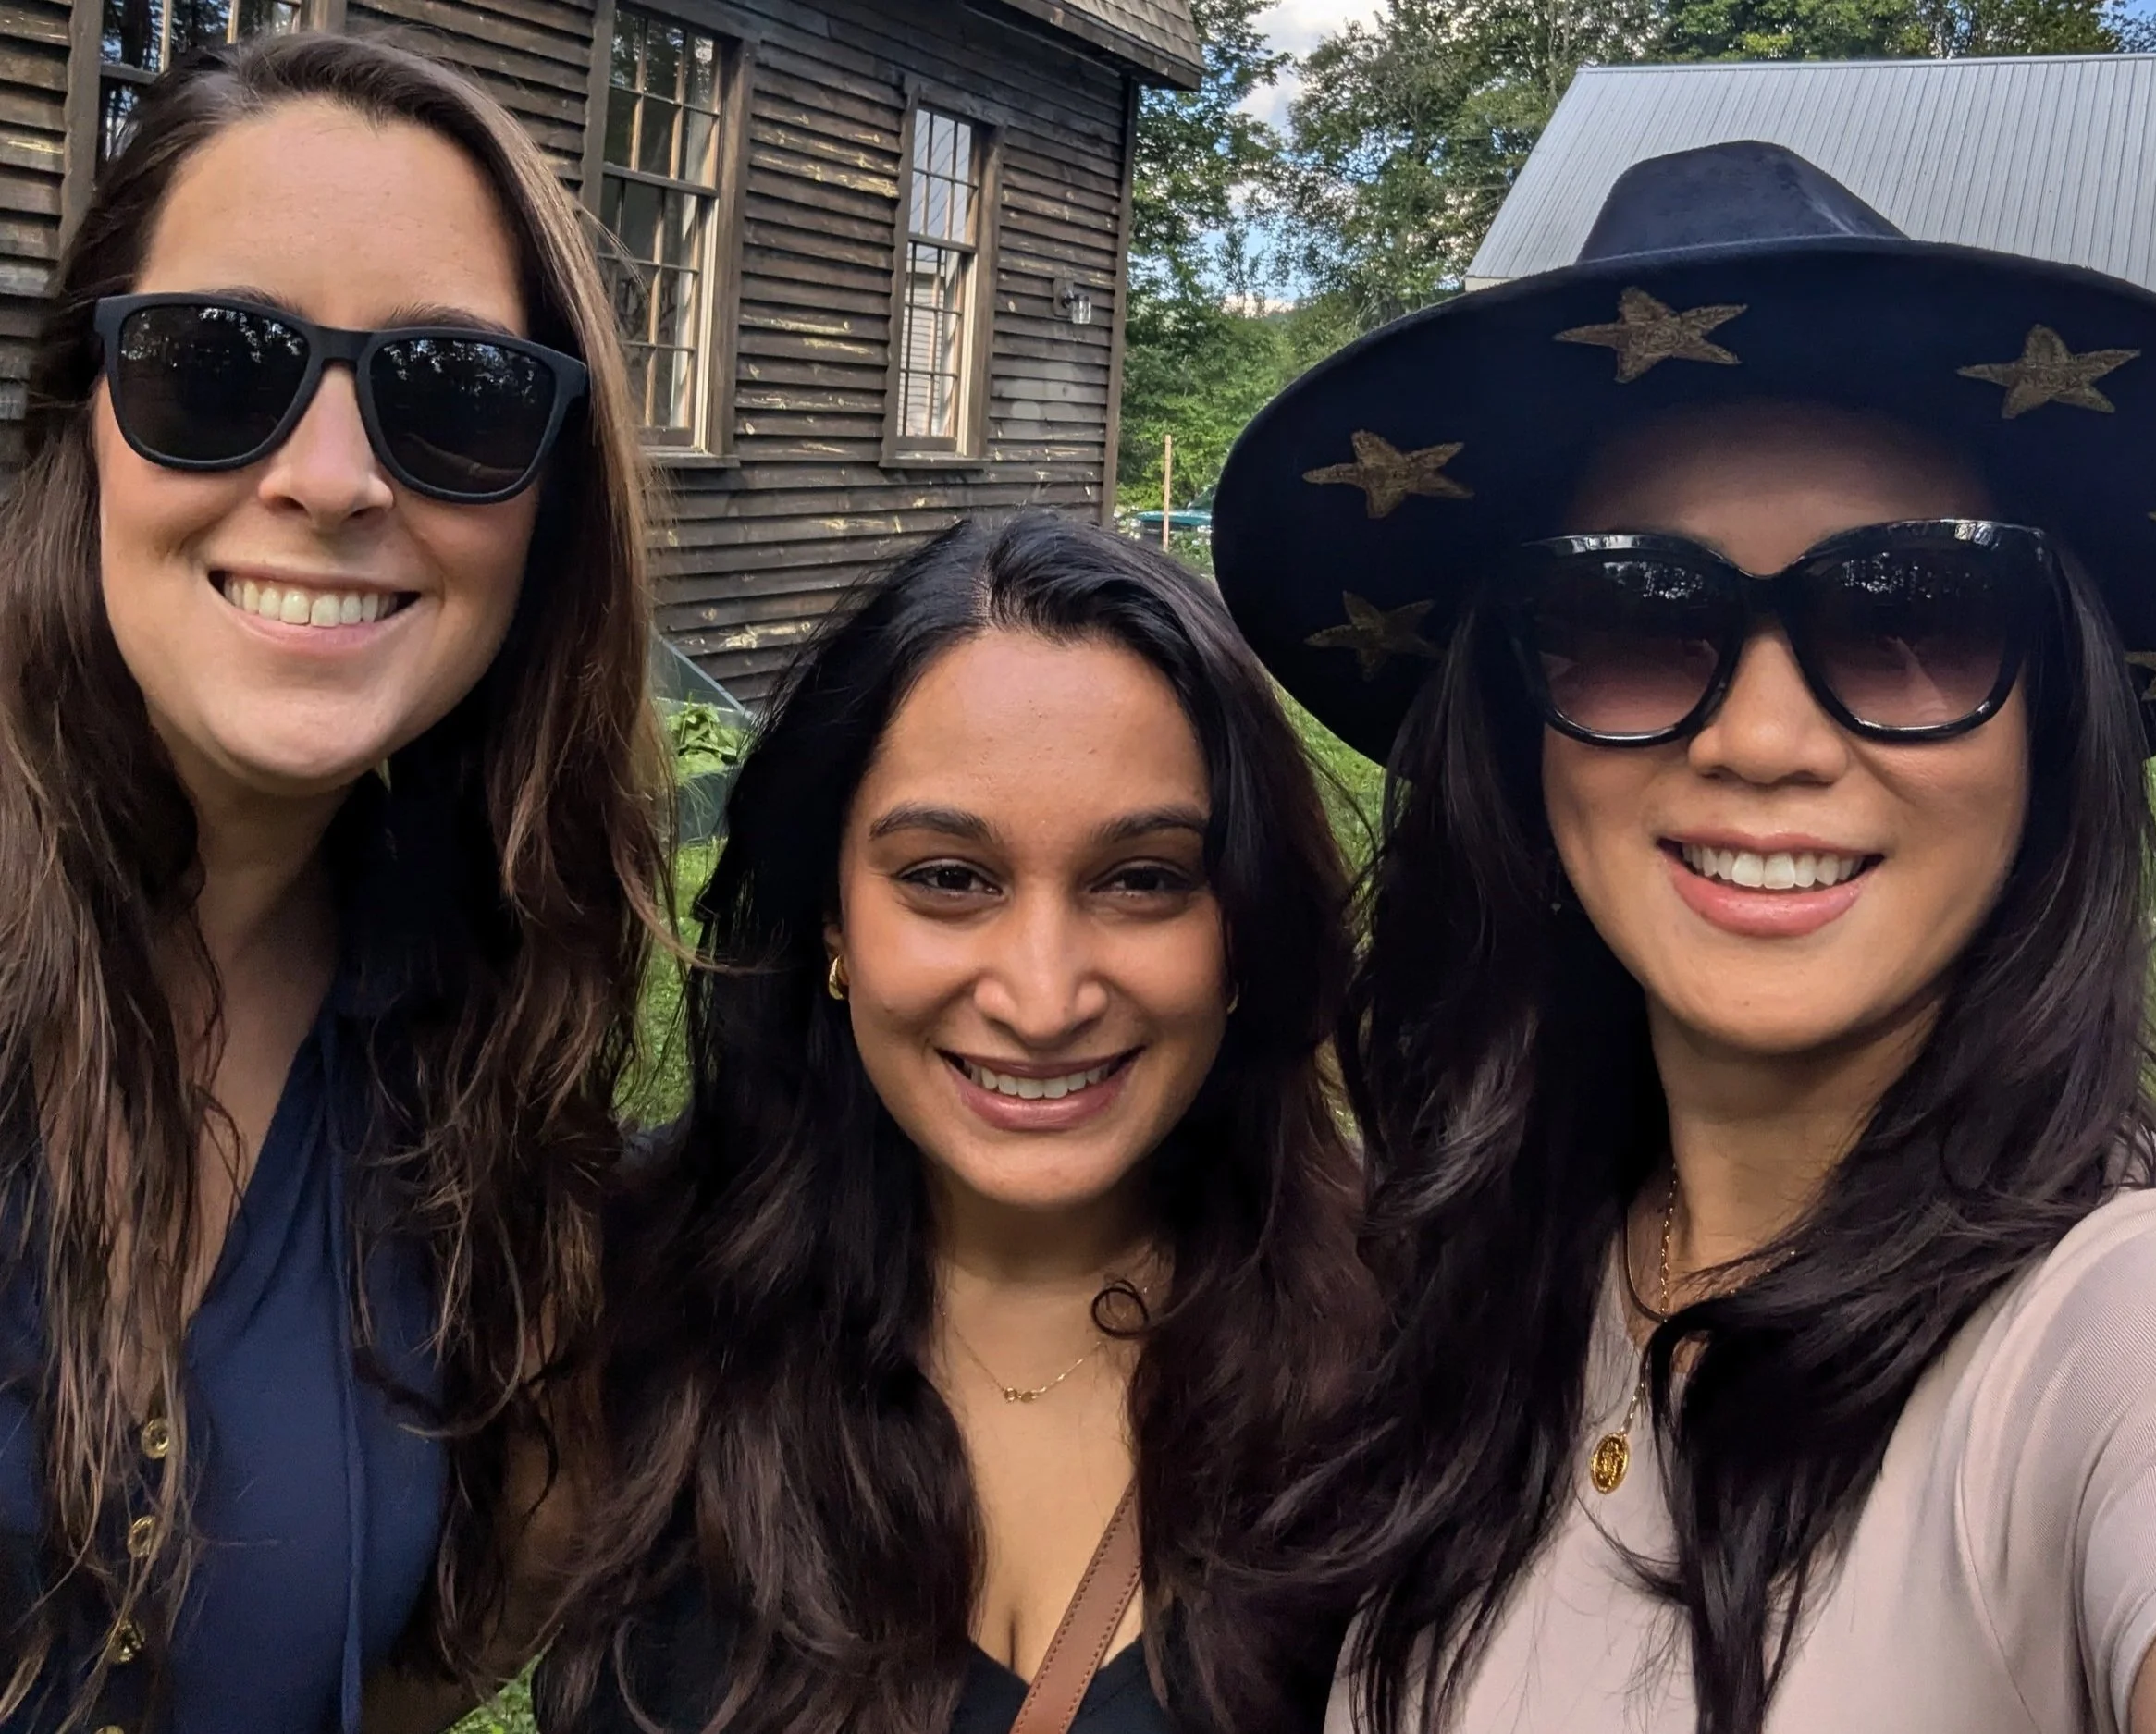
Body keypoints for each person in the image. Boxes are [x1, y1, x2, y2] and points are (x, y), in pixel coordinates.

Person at [1209, 141, 2156, 1734]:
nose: (1765, 739)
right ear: (1522, 735)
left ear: (2054, 726)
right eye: (1635, 619)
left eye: (1912, 612)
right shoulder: (1467, 1282)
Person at [0, 32, 664, 1733]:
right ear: (85, 418)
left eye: (457, 397)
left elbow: (457, 1612)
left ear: (550, 505)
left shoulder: (474, 1033)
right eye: (216, 366)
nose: (330, 477)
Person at [533, 513, 1374, 1734]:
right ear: (832, 917)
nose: (1042, 997)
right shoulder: (615, 1300)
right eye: (947, 877)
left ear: (1243, 923)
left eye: (1142, 878)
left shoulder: (1428, 1362)